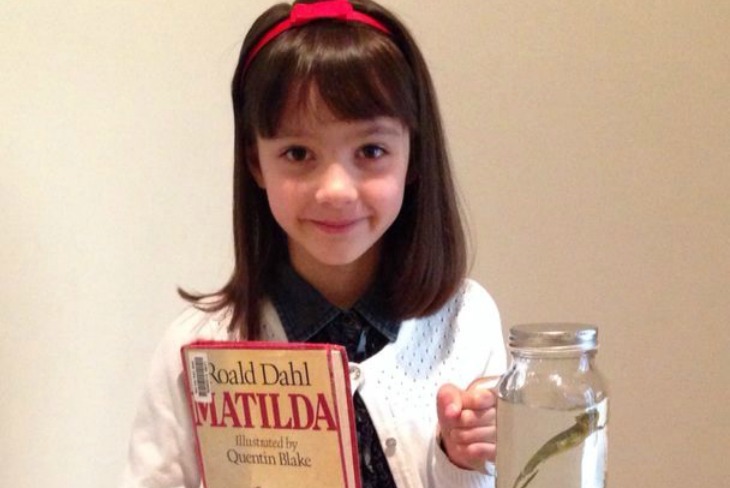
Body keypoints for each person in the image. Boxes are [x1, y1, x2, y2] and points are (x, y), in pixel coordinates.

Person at [120, 1, 506, 487]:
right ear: (257, 163)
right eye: (298, 153)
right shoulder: (195, 350)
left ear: (413, 154)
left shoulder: (465, 322)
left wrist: (462, 459)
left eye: (371, 150)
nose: (336, 190)